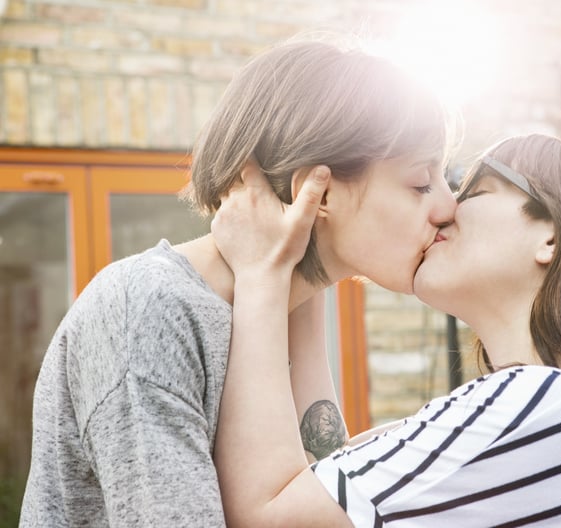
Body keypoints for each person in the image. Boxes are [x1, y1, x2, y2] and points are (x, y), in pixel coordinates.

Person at [20, 37, 457, 526]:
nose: (447, 207)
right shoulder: (150, 309)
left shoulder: (291, 303)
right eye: (421, 183)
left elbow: (318, 477)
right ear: (320, 191)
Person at [210, 134, 561, 527]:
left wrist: (260, 274)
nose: (444, 208)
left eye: (473, 188)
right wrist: (311, 266)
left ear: (551, 234)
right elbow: (325, 475)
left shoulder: (542, 407)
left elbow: (270, 515)